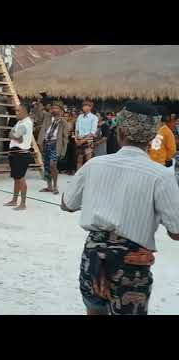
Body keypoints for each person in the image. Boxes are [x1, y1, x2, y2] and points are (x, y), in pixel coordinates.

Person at [61, 101, 179, 315]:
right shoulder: (161, 176)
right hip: (132, 263)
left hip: (93, 258)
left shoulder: (94, 165)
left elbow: (67, 204)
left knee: (94, 311)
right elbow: (176, 231)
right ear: (152, 137)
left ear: (120, 131)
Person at [3, 104, 34, 210]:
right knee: (16, 178)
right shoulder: (20, 122)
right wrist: (13, 135)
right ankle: (14, 200)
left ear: (25, 111)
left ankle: (23, 203)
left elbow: (15, 136)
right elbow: (11, 134)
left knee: (20, 178)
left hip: (21, 153)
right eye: (16, 111)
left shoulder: (26, 123)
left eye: (18, 111)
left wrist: (13, 135)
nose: (16, 113)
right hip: (15, 152)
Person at [37, 101, 69, 194]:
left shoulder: (63, 123)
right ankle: (49, 186)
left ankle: (55, 186)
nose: (54, 109)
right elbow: (39, 113)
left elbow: (65, 139)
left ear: (61, 110)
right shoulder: (47, 117)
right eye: (53, 108)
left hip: (55, 145)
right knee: (46, 166)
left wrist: (63, 152)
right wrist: (40, 102)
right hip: (45, 143)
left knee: (52, 165)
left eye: (56, 108)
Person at [75, 100, 98, 170]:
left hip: (89, 139)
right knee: (79, 159)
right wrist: (76, 139)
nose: (84, 107)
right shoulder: (80, 116)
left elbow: (92, 132)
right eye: (84, 106)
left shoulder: (94, 117)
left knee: (88, 160)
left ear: (90, 107)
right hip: (79, 139)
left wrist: (83, 140)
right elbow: (76, 129)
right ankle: (77, 177)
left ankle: (88, 177)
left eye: (87, 106)